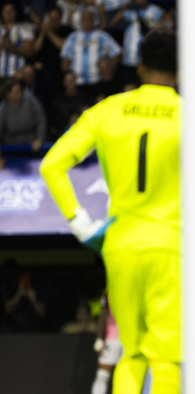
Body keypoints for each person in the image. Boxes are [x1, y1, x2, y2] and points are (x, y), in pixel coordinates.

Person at [40, 30, 181, 394]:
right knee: (165, 359)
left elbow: (51, 165)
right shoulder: (190, 116)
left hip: (119, 245)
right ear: (180, 72)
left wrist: (79, 221)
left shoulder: (106, 110)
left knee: (129, 354)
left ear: (140, 66)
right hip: (169, 246)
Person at [61, 10, 121, 89]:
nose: (87, 21)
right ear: (81, 21)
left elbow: (117, 52)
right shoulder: (72, 37)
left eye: (89, 18)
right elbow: (65, 57)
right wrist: (67, 77)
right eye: (84, 19)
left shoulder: (102, 36)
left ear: (94, 20)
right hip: (76, 82)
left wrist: (109, 70)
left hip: (97, 81)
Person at [111, 0, 164, 81]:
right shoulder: (130, 11)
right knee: (129, 87)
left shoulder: (156, 10)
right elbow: (113, 23)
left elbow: (163, 28)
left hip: (147, 59)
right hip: (129, 58)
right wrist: (123, 9)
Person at [0, 78, 46, 154]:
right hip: (10, 150)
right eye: (15, 91)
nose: (19, 93)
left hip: (32, 147)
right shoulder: (3, 108)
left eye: (20, 90)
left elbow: (41, 120)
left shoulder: (31, 100)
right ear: (7, 94)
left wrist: (39, 139)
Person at [92, 291, 124, 394]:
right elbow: (103, 312)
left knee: (126, 375)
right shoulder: (107, 292)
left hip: (128, 340)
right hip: (113, 339)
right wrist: (100, 338)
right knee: (103, 375)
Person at [32, 6, 73, 82]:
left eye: (55, 17)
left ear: (60, 18)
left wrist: (49, 32)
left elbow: (64, 46)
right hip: (43, 68)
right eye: (51, 17)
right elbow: (35, 49)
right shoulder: (41, 31)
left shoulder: (67, 30)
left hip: (60, 67)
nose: (53, 19)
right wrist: (42, 33)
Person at [0, 2, 34, 78]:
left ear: (15, 12)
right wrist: (2, 44)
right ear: (2, 13)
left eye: (11, 11)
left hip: (17, 74)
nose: (8, 13)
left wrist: (13, 47)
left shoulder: (24, 29)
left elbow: (30, 51)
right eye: (6, 11)